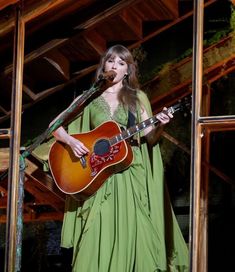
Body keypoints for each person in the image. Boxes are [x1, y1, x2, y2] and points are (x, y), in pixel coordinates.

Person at [51, 44, 189, 271]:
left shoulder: (136, 98)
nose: (115, 65)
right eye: (111, 60)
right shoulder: (90, 98)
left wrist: (161, 124)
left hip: (129, 176)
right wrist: (72, 142)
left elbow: (149, 138)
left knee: (133, 232)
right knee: (95, 233)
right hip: (97, 177)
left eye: (121, 62)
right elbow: (55, 126)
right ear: (104, 65)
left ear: (128, 71)